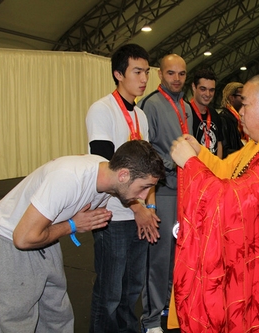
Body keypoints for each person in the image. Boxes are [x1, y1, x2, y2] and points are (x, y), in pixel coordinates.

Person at [170, 74, 259, 332]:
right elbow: (227, 170)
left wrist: (190, 164)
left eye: (245, 104)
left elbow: (229, 201)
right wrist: (200, 153)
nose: (240, 111)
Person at [0, 140, 165, 333]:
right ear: (124, 175)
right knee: (17, 325)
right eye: (144, 187)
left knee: (57, 319)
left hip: (45, 239)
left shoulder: (108, 176)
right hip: (9, 242)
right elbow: (22, 238)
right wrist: (73, 225)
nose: (143, 196)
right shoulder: (68, 179)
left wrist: (137, 210)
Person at [86, 44, 159, 333]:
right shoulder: (101, 110)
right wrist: (137, 207)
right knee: (110, 294)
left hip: (138, 214)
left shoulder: (141, 116)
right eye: (137, 71)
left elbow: (149, 169)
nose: (144, 79)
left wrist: (149, 208)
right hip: (112, 216)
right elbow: (107, 168)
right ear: (118, 73)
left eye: (147, 72)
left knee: (131, 291)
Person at [138, 53, 193, 333]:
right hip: (162, 191)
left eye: (181, 74)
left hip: (186, 191)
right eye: (171, 73)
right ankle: (150, 319)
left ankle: (169, 306)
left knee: (178, 255)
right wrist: (175, 162)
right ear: (161, 74)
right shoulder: (151, 105)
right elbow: (147, 153)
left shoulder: (187, 106)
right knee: (158, 257)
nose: (176, 79)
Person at [190, 68, 223, 157]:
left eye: (211, 90)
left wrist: (218, 167)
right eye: (203, 89)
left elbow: (219, 143)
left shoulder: (214, 114)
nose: (208, 94)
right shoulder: (186, 112)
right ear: (194, 87)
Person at [219, 82, 245, 158]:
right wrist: (245, 153)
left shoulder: (239, 118)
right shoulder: (223, 119)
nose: (244, 100)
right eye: (242, 97)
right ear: (232, 98)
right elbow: (224, 151)